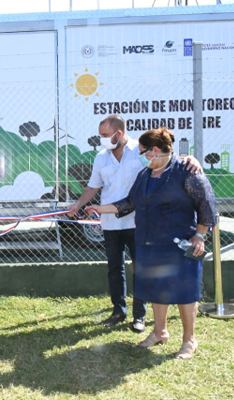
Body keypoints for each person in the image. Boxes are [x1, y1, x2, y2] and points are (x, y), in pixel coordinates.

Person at [86, 127, 215, 360]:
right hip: (148, 243)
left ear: (155, 151)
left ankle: (189, 340)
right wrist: (100, 208)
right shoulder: (145, 175)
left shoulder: (187, 171)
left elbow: (206, 204)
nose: (141, 157)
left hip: (179, 245)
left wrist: (200, 235)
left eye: (143, 152)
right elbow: (129, 202)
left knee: (185, 292)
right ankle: (160, 332)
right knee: (156, 288)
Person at [68, 115, 201, 333]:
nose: (101, 139)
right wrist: (78, 204)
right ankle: (118, 311)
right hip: (110, 222)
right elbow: (93, 186)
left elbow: (164, 160)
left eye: (104, 135)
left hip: (139, 222)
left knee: (141, 269)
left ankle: (139, 316)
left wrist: (189, 158)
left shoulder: (140, 153)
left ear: (118, 133)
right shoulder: (101, 157)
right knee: (114, 269)